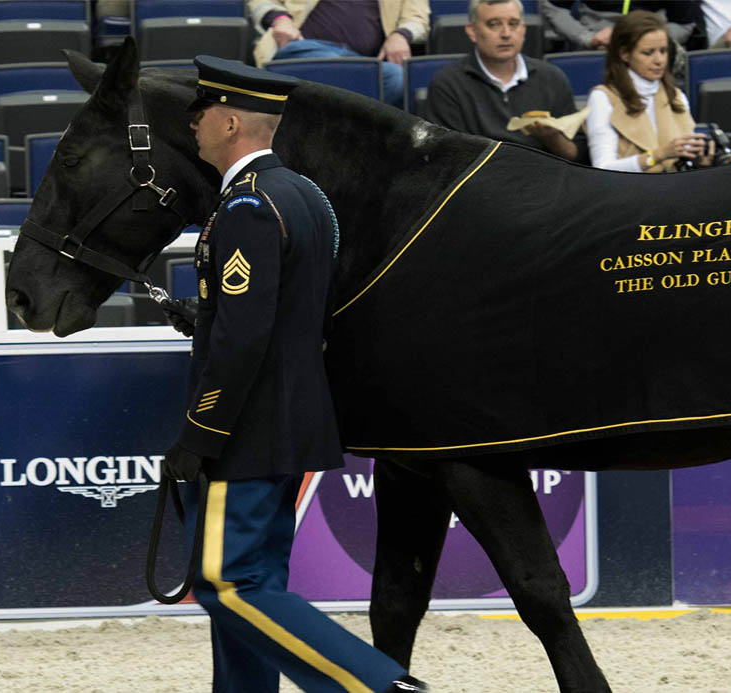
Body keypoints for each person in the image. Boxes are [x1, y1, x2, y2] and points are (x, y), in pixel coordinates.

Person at [160, 55, 426, 693]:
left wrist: (200, 433)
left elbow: (244, 338)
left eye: (201, 113)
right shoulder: (306, 196)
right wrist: (208, 312)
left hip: (245, 428)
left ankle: (380, 686)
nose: (192, 124)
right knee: (256, 584)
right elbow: (290, 306)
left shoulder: (247, 206)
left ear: (229, 123)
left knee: (228, 584)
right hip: (290, 421)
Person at [424, 0, 583, 161]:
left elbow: (577, 156)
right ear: (472, 31)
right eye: (494, 24)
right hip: (479, 181)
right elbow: (446, 157)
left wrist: (552, 138)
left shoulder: (552, 77)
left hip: (542, 178)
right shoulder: (448, 84)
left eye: (513, 24)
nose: (506, 33)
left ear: (523, 29)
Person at [585, 10, 714, 172]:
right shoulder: (603, 98)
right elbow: (603, 168)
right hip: (631, 192)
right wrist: (658, 155)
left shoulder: (676, 96)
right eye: (648, 53)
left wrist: (701, 162)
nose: (659, 60)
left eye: (663, 51)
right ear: (625, 54)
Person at [246, 0, 431, 108]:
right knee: (296, 54)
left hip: (371, 61)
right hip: (302, 50)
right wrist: (280, 20)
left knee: (398, 78)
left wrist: (401, 35)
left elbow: (418, 18)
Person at [541, 0, 702, 51]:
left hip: (649, 44)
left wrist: (640, 37)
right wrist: (586, 37)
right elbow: (553, 6)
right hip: (596, 45)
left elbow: (684, 24)